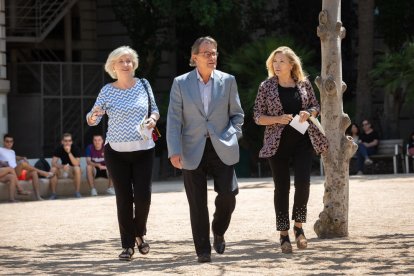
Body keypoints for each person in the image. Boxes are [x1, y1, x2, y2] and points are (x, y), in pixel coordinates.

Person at [167, 36, 244, 263]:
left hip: (222, 145)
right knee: (197, 202)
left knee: (229, 195)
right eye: (207, 53)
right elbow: (173, 120)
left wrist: (232, 135)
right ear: (195, 57)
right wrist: (174, 150)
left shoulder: (228, 80)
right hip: (191, 148)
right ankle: (203, 250)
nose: (212, 57)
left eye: (214, 53)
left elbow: (238, 115)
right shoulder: (180, 83)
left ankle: (218, 230)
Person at [86, 46, 159, 261]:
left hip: (144, 150)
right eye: (122, 61)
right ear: (113, 66)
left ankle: (139, 232)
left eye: (129, 60)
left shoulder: (144, 85)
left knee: (144, 197)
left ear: (133, 64)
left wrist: (153, 119)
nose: (126, 64)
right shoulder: (107, 90)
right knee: (124, 199)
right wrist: (93, 116)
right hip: (116, 152)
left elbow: (154, 109)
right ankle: (128, 245)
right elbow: (94, 117)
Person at [253, 46, 328, 254]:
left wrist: (308, 112)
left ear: (291, 64)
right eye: (274, 61)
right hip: (277, 145)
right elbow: (257, 116)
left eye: (281, 61)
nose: (277, 65)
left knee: (303, 184)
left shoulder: (303, 84)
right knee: (282, 188)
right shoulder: (266, 86)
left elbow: (316, 106)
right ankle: (283, 234)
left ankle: (299, 228)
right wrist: (277, 119)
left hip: (303, 141)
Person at [0, 134, 53, 200]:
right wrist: (2, 162)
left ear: (13, 142)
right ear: (3, 142)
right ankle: (42, 172)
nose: (9, 143)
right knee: (22, 164)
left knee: (34, 172)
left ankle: (38, 196)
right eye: (7, 141)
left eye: (11, 141)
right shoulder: (0, 149)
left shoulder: (12, 151)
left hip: (16, 172)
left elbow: (14, 157)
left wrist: (22, 157)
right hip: (9, 171)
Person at [49, 133, 82, 199]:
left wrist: (69, 152)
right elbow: (53, 163)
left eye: (69, 141)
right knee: (53, 169)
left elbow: (76, 163)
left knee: (77, 168)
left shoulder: (75, 148)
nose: (68, 143)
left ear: (71, 142)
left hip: (72, 170)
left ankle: (77, 192)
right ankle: (53, 193)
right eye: (66, 141)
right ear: (62, 142)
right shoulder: (59, 148)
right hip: (63, 169)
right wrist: (62, 166)